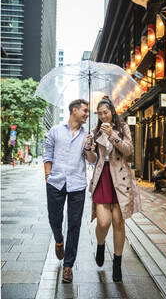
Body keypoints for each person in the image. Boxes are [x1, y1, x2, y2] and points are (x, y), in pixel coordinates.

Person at [87, 96, 141, 283]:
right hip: (102, 178)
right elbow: (93, 160)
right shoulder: (94, 131)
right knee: (103, 222)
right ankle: (101, 245)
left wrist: (112, 134)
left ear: (112, 112)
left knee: (118, 221)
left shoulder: (123, 127)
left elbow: (128, 150)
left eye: (106, 112)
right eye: (100, 113)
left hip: (120, 178)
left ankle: (117, 263)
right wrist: (88, 149)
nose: (103, 116)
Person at [43, 99, 96, 283]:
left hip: (77, 184)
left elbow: (92, 160)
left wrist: (89, 147)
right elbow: (47, 154)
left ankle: (68, 266)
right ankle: (59, 240)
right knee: (54, 218)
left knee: (74, 224)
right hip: (56, 182)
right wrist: (48, 175)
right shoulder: (55, 131)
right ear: (74, 110)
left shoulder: (87, 135)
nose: (87, 114)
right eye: (85, 110)